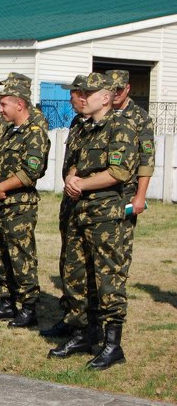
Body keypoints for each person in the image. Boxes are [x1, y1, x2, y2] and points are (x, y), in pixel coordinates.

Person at [49, 72, 137, 371]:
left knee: (107, 279)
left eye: (90, 93)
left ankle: (112, 345)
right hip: (78, 211)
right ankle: (82, 334)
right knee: (76, 276)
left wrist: (82, 184)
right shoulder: (83, 128)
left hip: (105, 216)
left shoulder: (121, 126)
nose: (82, 97)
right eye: (81, 93)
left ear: (106, 97)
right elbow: (73, 162)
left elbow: (119, 172)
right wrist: (72, 176)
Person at [0, 83, 50, 327]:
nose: (0, 110)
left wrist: (2, 187)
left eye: (3, 104)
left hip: (18, 206)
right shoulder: (10, 132)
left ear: (19, 104)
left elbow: (32, 170)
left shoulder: (35, 132)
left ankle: (28, 307)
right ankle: (6, 303)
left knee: (20, 256)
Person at [40, 74, 91, 338]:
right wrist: (71, 175)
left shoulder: (116, 124)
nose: (69, 99)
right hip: (71, 201)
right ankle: (71, 315)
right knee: (70, 263)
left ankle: (87, 324)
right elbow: (74, 159)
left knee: (90, 268)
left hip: (97, 206)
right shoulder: (77, 122)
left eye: (73, 94)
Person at [108, 70, 155, 278]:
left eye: (119, 89)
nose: (115, 93)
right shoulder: (102, 112)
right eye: (112, 89)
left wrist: (140, 196)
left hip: (125, 192)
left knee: (121, 244)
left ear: (128, 88)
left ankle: (117, 289)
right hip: (100, 190)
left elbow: (147, 159)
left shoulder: (140, 118)